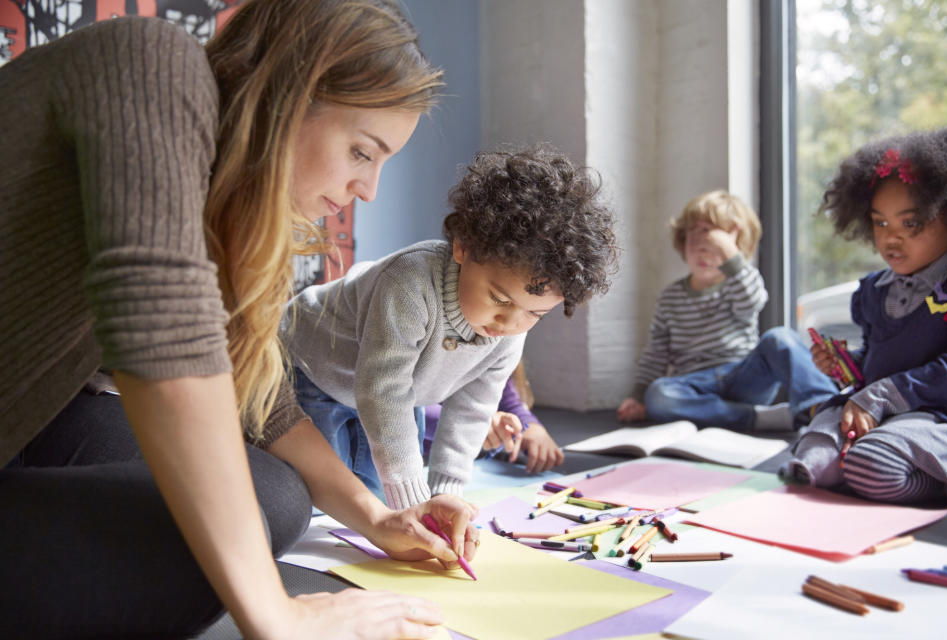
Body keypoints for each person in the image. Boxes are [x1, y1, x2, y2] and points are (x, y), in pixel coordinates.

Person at [0, 2, 482, 638]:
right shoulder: (151, 66)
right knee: (219, 547)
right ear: (288, 96)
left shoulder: (219, 199)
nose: (368, 189)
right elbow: (162, 341)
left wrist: (376, 515)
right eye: (362, 152)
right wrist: (277, 615)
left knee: (274, 501)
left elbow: (258, 395)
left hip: (30, 420)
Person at [283, 145, 618, 509]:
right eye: (499, 299)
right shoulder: (409, 283)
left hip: (399, 392)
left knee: (382, 500)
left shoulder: (511, 329)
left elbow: (473, 408)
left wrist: (445, 494)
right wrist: (415, 504)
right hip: (315, 368)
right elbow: (382, 392)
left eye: (534, 315)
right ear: (463, 247)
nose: (510, 323)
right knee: (328, 502)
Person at [781, 127, 947, 507]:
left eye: (910, 223)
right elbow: (878, 366)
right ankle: (860, 468)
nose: (891, 238)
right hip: (882, 413)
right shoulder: (874, 292)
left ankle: (939, 480)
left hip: (938, 417)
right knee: (811, 455)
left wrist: (878, 397)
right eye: (881, 223)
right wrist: (846, 366)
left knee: (871, 464)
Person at [616, 190, 836, 431]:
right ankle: (757, 418)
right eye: (694, 240)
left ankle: (826, 407)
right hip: (696, 385)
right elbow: (656, 352)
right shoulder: (670, 297)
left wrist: (728, 251)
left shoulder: (737, 285)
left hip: (743, 376)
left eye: (712, 246)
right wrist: (638, 396)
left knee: (781, 337)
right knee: (659, 395)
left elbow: (754, 300)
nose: (702, 250)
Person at [423, 373, 566, 474]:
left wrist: (531, 426)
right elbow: (406, 407)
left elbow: (506, 397)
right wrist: (470, 422)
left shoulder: (500, 341)